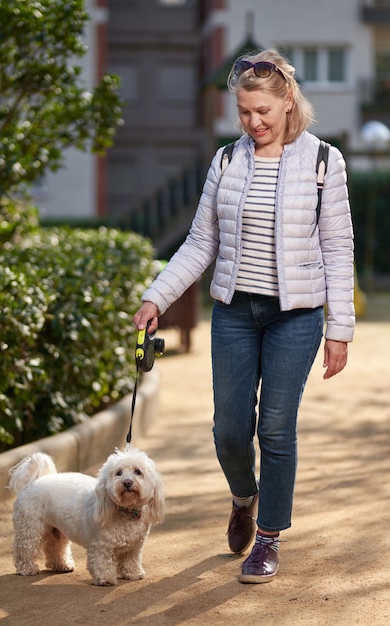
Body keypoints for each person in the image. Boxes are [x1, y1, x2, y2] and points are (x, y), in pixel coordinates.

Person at [133, 49, 355, 584]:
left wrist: (339, 330)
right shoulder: (228, 160)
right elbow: (200, 241)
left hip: (295, 317)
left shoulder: (324, 161)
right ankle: (243, 497)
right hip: (234, 311)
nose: (254, 123)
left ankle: (269, 537)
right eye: (245, 112)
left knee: (276, 429)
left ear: (287, 103)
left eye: (264, 112)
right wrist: (155, 297)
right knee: (230, 430)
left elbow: (338, 247)